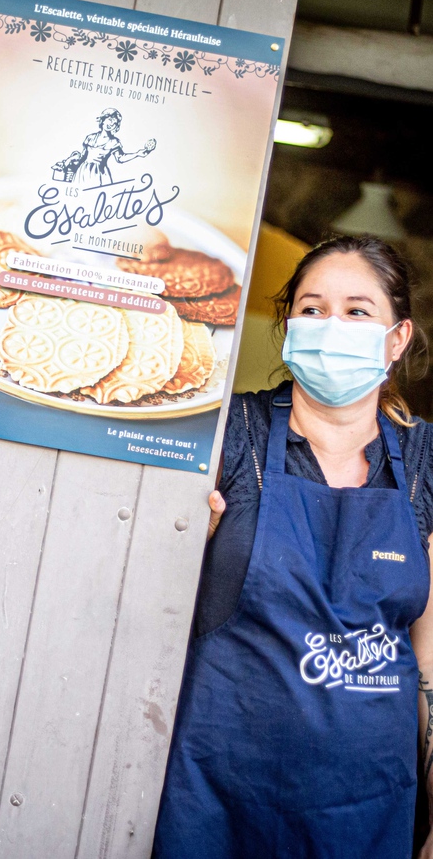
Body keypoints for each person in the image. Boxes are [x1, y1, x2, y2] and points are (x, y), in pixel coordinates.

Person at [152, 235, 433, 858]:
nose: (332, 326)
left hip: (364, 815)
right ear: (287, 329)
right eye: (312, 309)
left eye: (358, 311)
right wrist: (175, 547)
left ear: (398, 338)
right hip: (214, 804)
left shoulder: (424, 463)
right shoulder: (225, 437)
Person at [53, 108, 156, 188]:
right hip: (83, 172)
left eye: (114, 123)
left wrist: (137, 154)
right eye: (109, 120)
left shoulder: (114, 142)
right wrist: (70, 160)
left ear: (116, 126)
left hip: (100, 174)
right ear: (102, 120)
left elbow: (120, 158)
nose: (111, 124)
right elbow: (82, 157)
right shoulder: (90, 138)